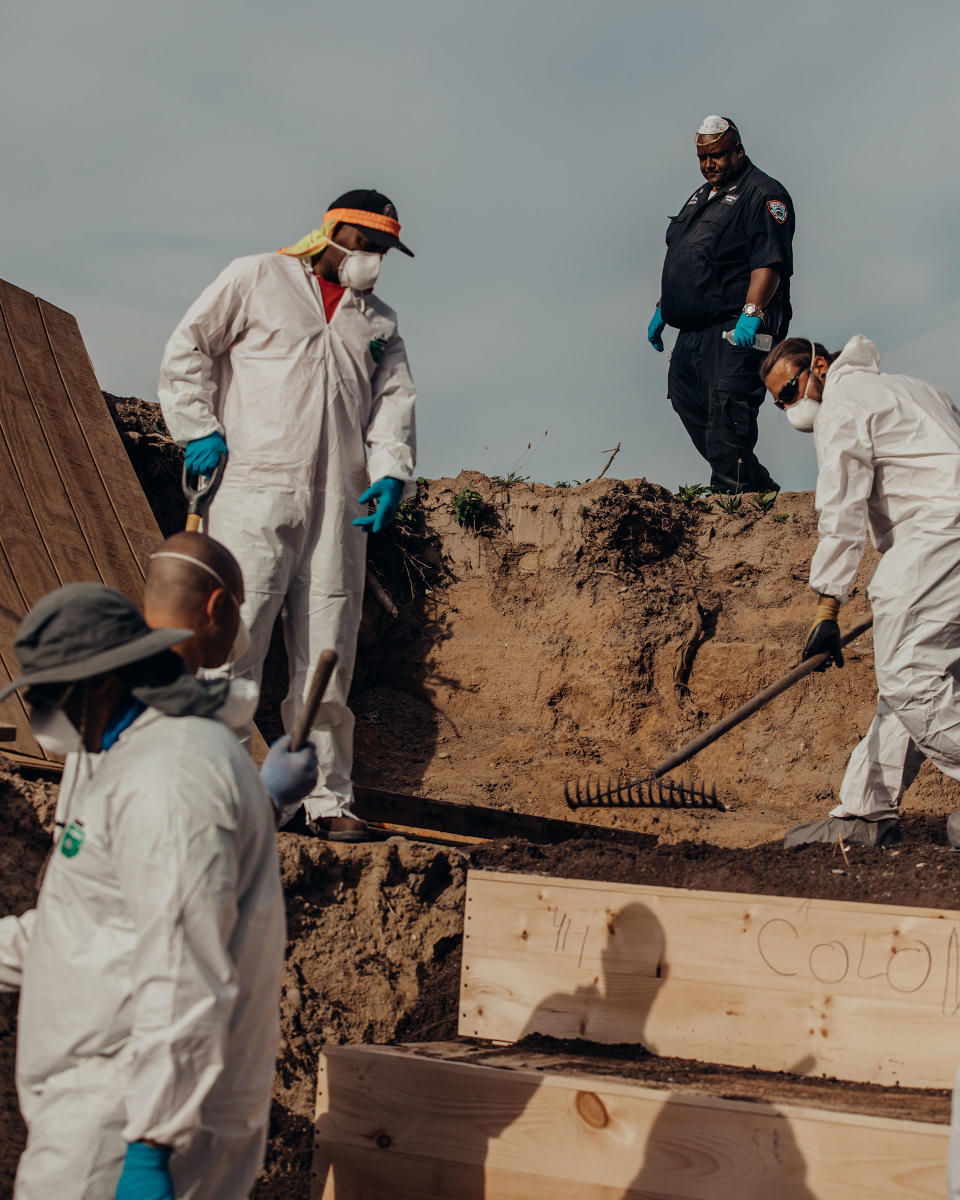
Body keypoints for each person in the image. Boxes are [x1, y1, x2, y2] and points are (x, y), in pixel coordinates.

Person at [1, 583, 285, 1199]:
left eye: (51, 693)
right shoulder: (147, 757)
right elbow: (89, 928)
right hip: (113, 1103)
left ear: (102, 682)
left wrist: (150, 1145)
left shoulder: (168, 777)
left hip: (122, 1113)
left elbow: (185, 969)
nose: (43, 713)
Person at [158, 189, 417, 843]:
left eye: (383, 251)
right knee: (232, 637)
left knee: (329, 645)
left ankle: (327, 800)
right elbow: (188, 348)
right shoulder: (257, 278)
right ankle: (216, 792)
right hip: (252, 487)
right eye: (365, 245)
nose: (373, 262)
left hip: (340, 501)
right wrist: (198, 429)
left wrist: (390, 471)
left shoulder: (379, 324)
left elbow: (393, 403)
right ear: (331, 233)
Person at [760, 335, 960, 847]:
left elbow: (842, 513)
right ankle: (864, 810)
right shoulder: (914, 389)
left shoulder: (843, 407)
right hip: (941, 539)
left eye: (789, 391)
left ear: (819, 367)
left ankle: (864, 813)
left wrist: (827, 608)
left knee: (909, 680)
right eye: (778, 402)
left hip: (939, 533)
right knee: (915, 677)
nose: (788, 408)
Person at [647, 116, 795, 493]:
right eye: (702, 158)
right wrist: (664, 308)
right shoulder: (700, 197)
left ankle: (733, 503)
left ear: (738, 150)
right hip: (694, 331)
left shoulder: (763, 194)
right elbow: (688, 257)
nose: (709, 164)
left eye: (717, 155)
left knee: (728, 412)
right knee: (686, 399)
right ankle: (754, 486)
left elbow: (769, 261)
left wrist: (752, 315)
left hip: (736, 328)